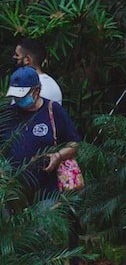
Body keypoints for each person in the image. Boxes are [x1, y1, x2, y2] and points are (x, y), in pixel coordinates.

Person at [3, 66, 80, 197]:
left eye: (22, 95)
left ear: (37, 91)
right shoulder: (7, 114)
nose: (18, 99)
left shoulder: (53, 110)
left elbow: (74, 144)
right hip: (13, 192)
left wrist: (58, 156)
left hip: (47, 191)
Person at [12, 38, 62, 105]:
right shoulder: (52, 83)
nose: (14, 57)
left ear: (27, 59)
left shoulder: (27, 85)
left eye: (17, 55)